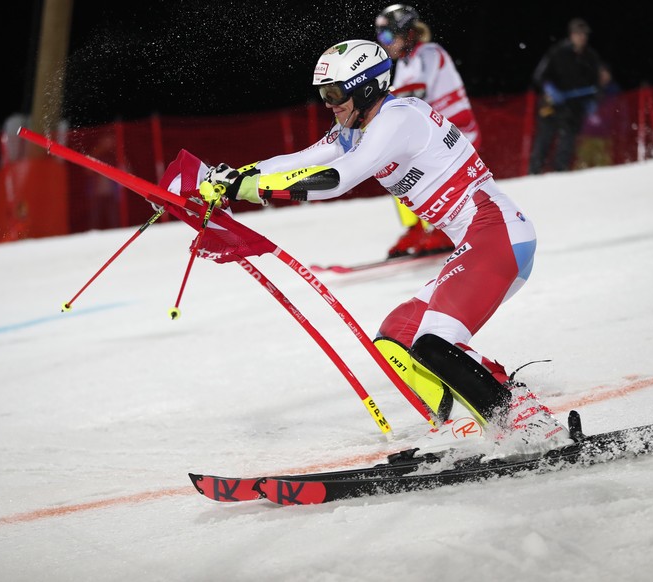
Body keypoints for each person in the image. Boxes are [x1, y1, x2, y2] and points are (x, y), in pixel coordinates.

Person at [204, 39, 572, 455]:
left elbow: (338, 177)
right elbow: (302, 157)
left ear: (364, 88)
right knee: (395, 340)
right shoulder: (361, 126)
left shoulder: (397, 119)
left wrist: (256, 190)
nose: (329, 105)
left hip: (497, 234)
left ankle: (526, 425)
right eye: (324, 95)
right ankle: (457, 425)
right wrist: (232, 178)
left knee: (435, 342)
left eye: (334, 94)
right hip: (478, 242)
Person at [375, 4, 480, 259]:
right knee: (390, 161)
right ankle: (417, 227)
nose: (384, 44)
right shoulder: (407, 62)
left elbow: (411, 95)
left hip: (457, 132)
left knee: (413, 165)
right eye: (381, 38)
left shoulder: (429, 53)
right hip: (436, 131)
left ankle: (443, 229)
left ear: (407, 33)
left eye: (388, 36)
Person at [528, 18, 611, 175]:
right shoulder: (557, 52)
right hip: (551, 105)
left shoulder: (591, 57)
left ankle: (560, 174)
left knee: (567, 142)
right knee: (544, 139)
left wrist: (593, 101)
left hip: (574, 108)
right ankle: (534, 174)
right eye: (578, 34)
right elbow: (539, 76)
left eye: (584, 34)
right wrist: (549, 88)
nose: (582, 37)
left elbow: (596, 85)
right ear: (571, 35)